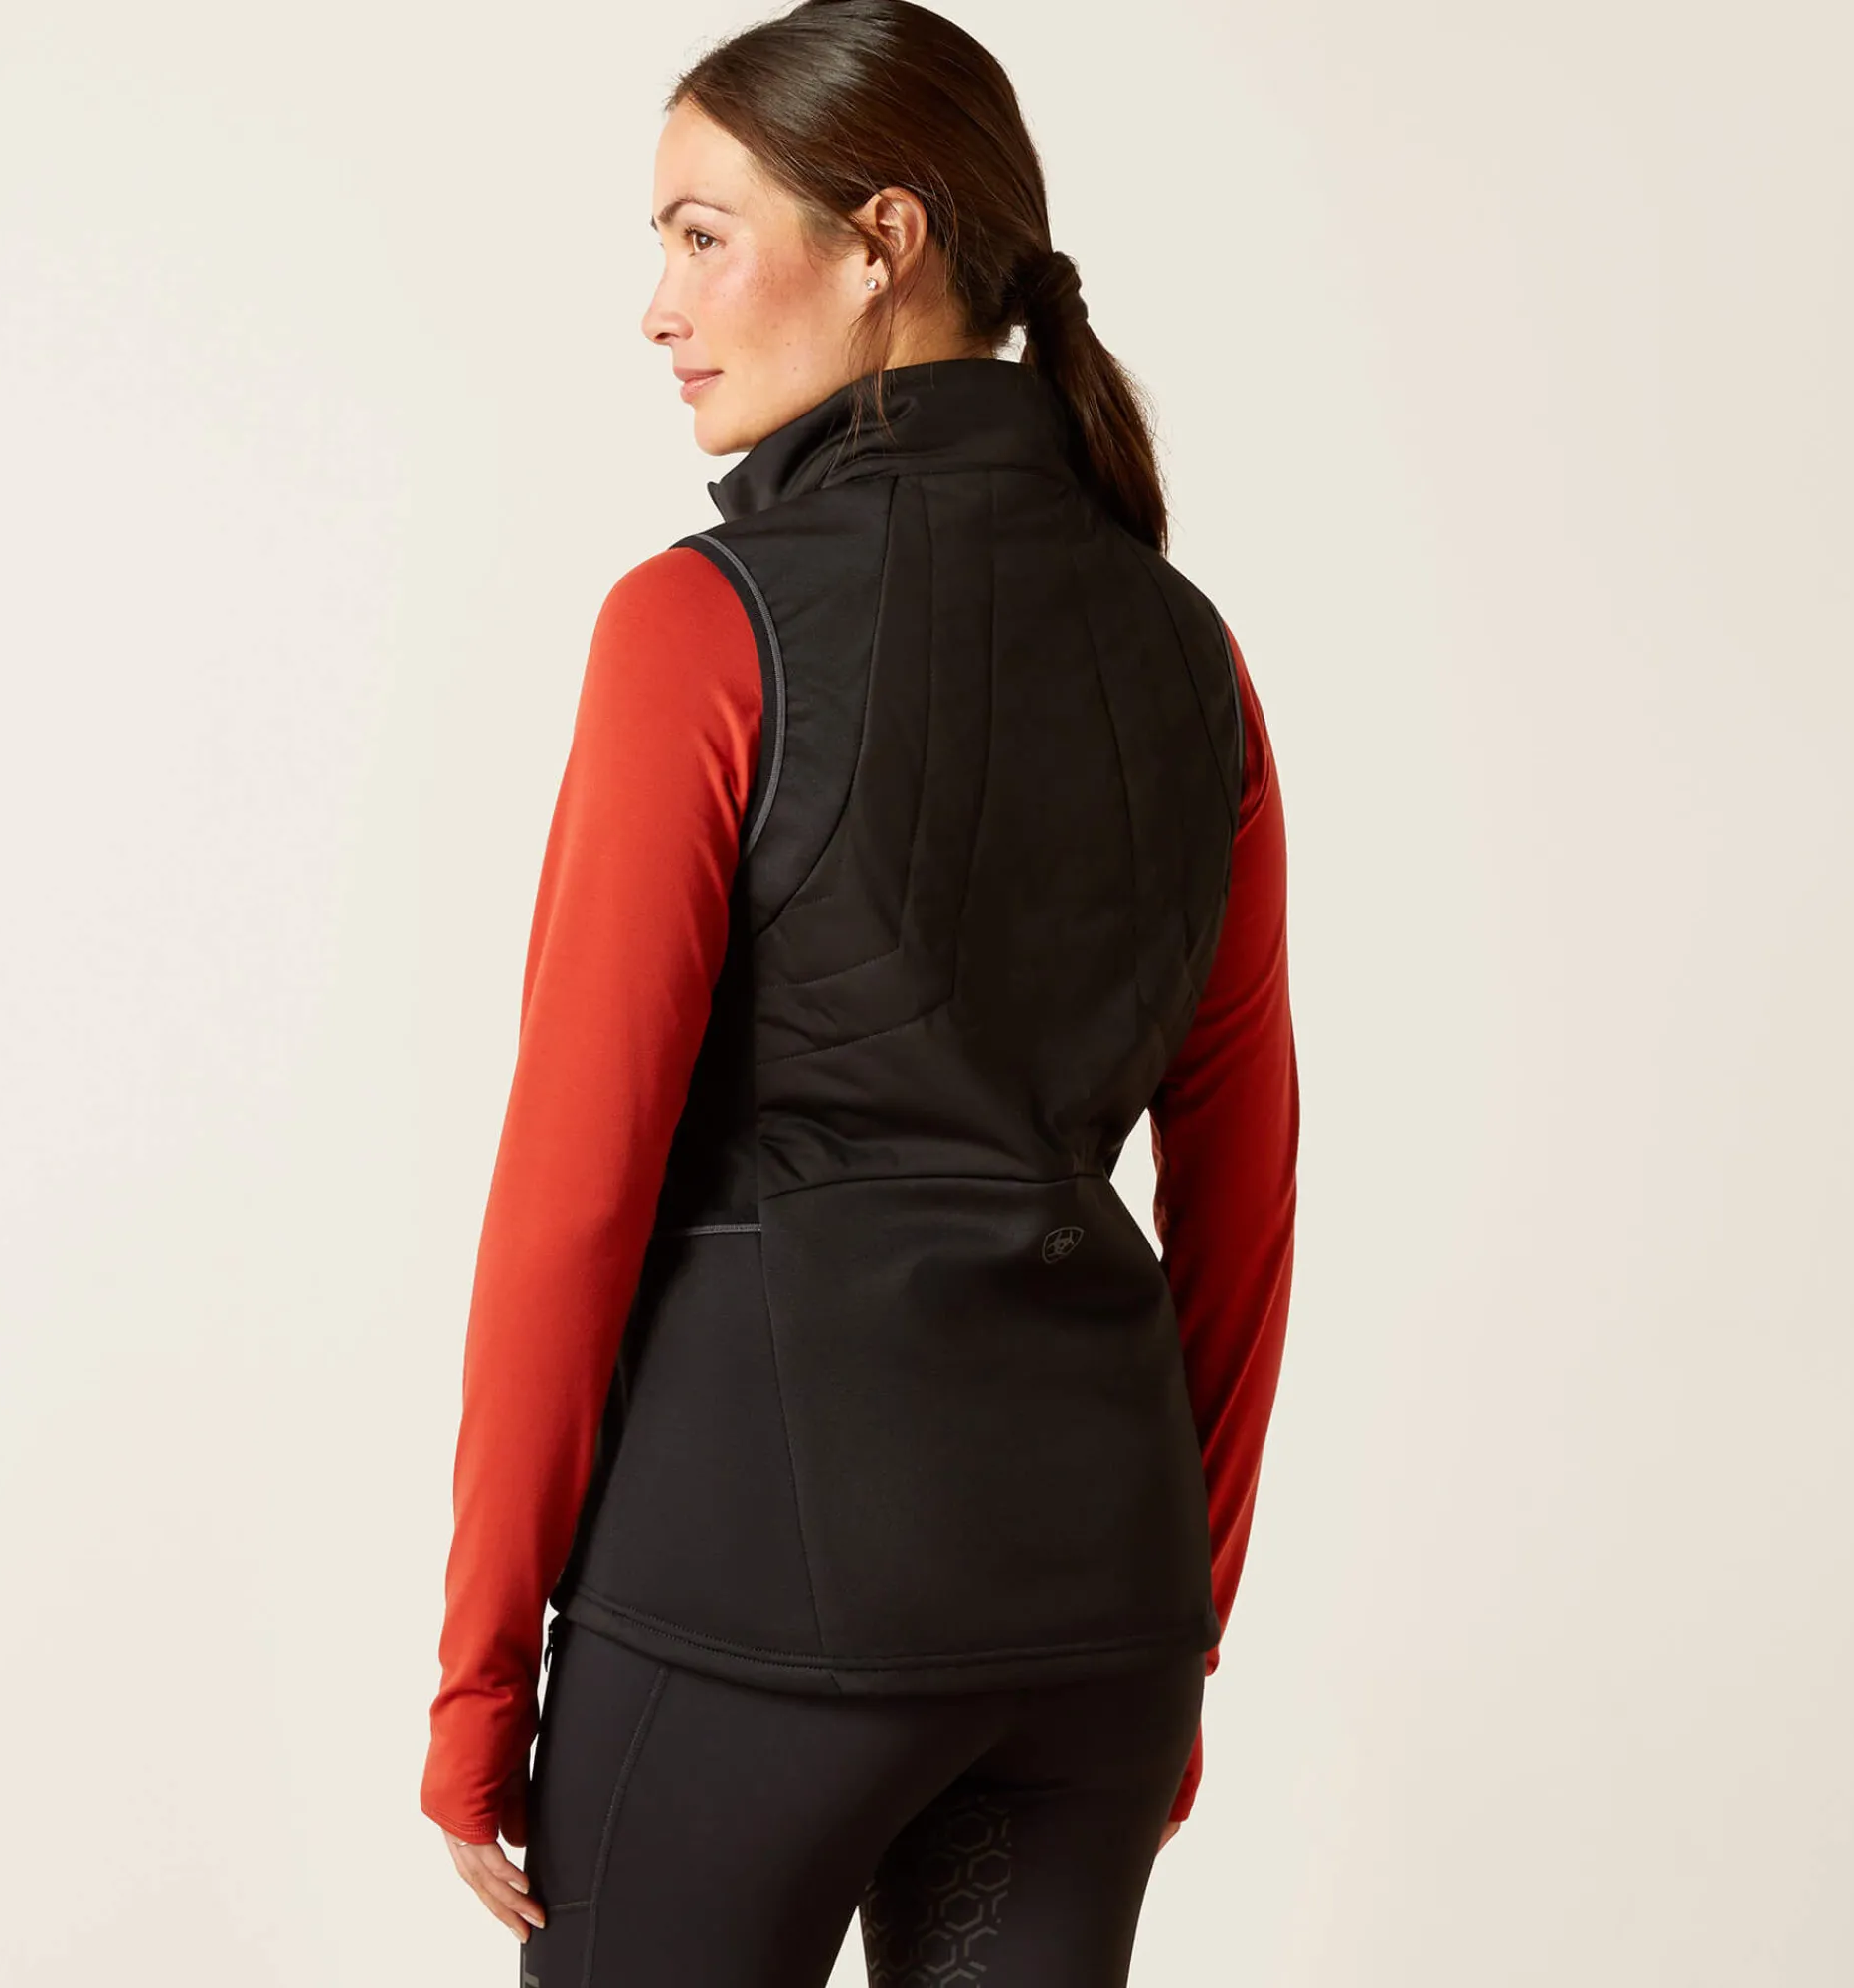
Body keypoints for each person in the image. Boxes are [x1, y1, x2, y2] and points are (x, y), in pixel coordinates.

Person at [420, 5, 1299, 1982]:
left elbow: (571, 1196)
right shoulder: (1193, 654)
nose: (659, 306)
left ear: (883, 236)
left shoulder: (698, 627)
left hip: (751, 1601)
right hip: (1096, 1617)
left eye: (702, 234)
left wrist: (480, 1672)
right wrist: (1175, 1627)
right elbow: (1240, 1201)